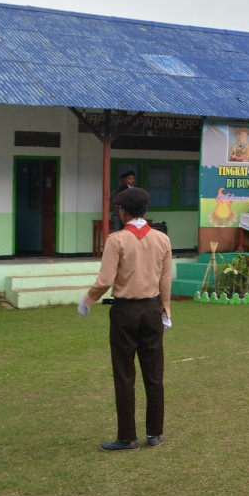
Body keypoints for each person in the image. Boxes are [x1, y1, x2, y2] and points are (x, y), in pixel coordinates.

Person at [79, 187, 172, 451]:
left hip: (125, 312)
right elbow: (165, 280)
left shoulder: (116, 240)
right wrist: (166, 310)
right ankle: (155, 433)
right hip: (152, 311)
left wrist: (88, 300)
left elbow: (106, 280)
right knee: (154, 374)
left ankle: (127, 437)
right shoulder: (161, 239)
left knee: (124, 374)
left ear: (123, 212)